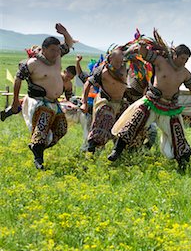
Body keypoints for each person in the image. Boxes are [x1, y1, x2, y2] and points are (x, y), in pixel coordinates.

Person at [109, 42, 191, 170]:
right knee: (133, 123)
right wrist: (141, 47)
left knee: (178, 137)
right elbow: (145, 54)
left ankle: (182, 164)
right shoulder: (161, 61)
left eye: (186, 59)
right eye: (182, 58)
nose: (184, 62)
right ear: (175, 55)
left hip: (171, 107)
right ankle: (116, 151)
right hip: (151, 102)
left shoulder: (185, 73)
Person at [11, 23, 73, 169]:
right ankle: (39, 159)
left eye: (58, 50)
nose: (56, 53)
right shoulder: (33, 63)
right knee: (42, 125)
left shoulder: (58, 56)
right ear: (44, 49)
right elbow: (18, 78)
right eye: (52, 50)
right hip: (38, 102)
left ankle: (37, 148)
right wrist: (15, 102)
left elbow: (69, 44)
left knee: (61, 128)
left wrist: (64, 32)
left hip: (54, 102)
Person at [80, 48, 128, 153]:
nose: (119, 64)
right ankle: (92, 144)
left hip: (120, 102)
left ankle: (119, 150)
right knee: (105, 116)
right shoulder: (102, 70)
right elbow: (88, 83)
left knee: (124, 124)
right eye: (117, 61)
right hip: (106, 101)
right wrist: (84, 103)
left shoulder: (125, 68)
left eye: (121, 61)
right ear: (110, 58)